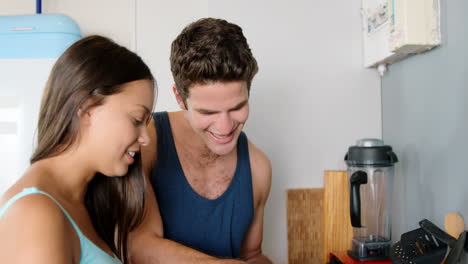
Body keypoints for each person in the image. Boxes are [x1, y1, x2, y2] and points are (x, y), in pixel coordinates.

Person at [0, 35, 155, 264]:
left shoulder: (83, 203)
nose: (145, 139)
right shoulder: (36, 215)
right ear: (87, 110)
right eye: (136, 120)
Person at [129, 18, 272, 263]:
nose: (225, 127)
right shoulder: (146, 141)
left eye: (237, 107)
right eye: (208, 113)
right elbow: (137, 247)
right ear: (179, 98)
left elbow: (252, 255)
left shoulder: (259, 168)